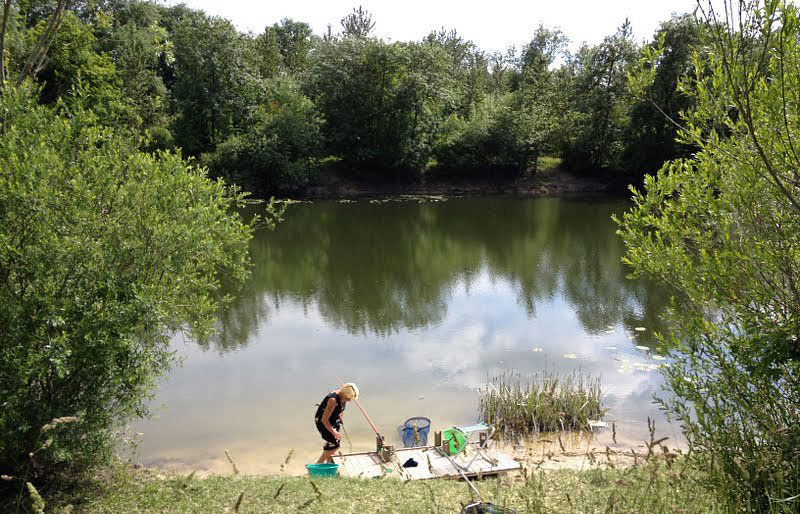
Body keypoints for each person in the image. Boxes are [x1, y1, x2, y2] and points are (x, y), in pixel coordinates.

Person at [314, 382, 359, 463]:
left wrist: (340, 413)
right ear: (344, 394)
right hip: (324, 421)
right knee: (335, 446)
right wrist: (333, 432)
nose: (349, 401)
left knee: (332, 445)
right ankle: (318, 464)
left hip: (333, 419)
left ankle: (329, 465)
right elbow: (324, 420)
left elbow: (340, 408)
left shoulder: (343, 394)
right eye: (348, 399)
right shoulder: (333, 400)